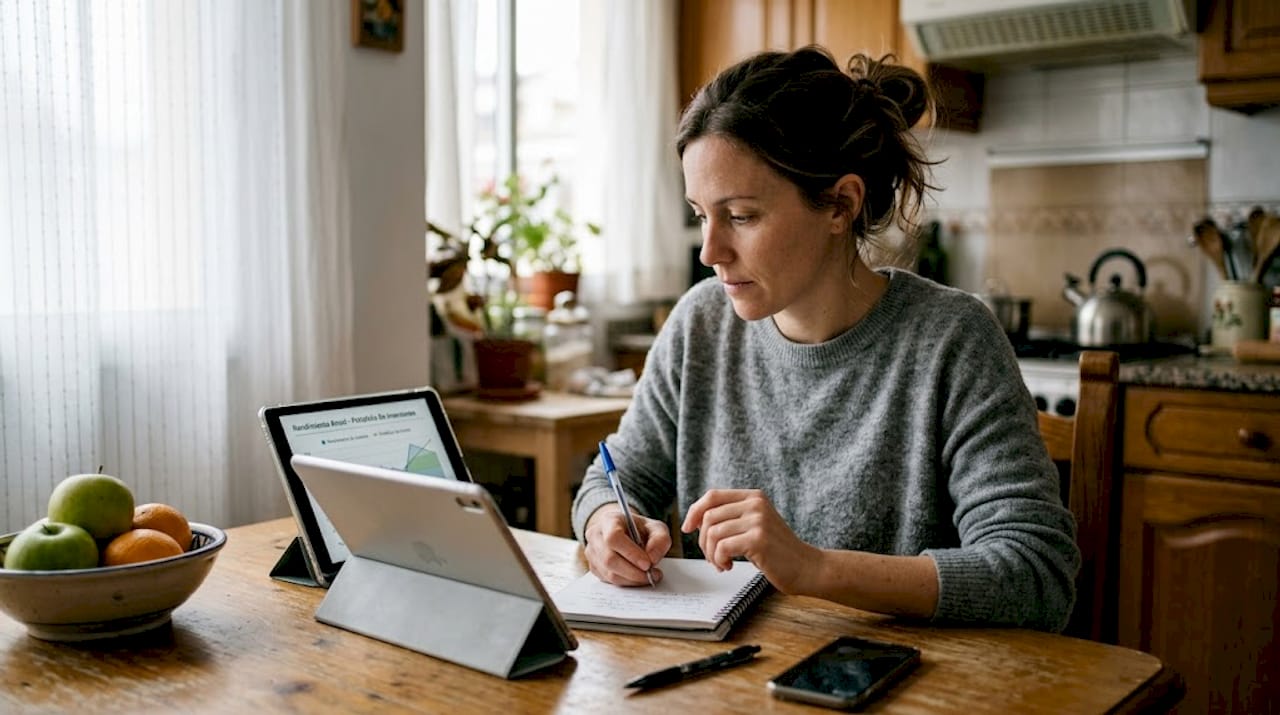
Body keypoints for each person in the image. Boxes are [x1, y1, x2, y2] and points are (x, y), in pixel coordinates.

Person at [570, 46, 1080, 632]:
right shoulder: (699, 324)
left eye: (740, 216)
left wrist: (811, 567)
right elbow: (615, 478)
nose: (710, 252)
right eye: (699, 214)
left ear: (840, 205)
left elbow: (1036, 575)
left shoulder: (952, 341)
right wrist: (607, 522)